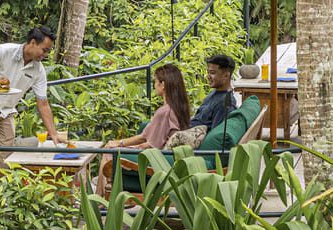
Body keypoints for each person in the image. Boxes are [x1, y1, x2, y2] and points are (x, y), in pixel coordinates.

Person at [94, 56, 237, 195]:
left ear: (226, 76)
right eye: (208, 72)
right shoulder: (214, 96)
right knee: (117, 147)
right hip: (177, 142)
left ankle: (99, 200)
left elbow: (211, 134)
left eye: (212, 73)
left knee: (109, 154)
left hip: (176, 154)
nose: (208, 76)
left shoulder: (224, 104)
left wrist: (120, 146)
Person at [0, 27, 62, 168]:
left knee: (4, 162)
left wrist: (53, 134)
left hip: (6, 113)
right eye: (44, 50)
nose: (45, 55)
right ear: (33, 42)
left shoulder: (39, 71)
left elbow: (43, 104)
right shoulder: (2, 52)